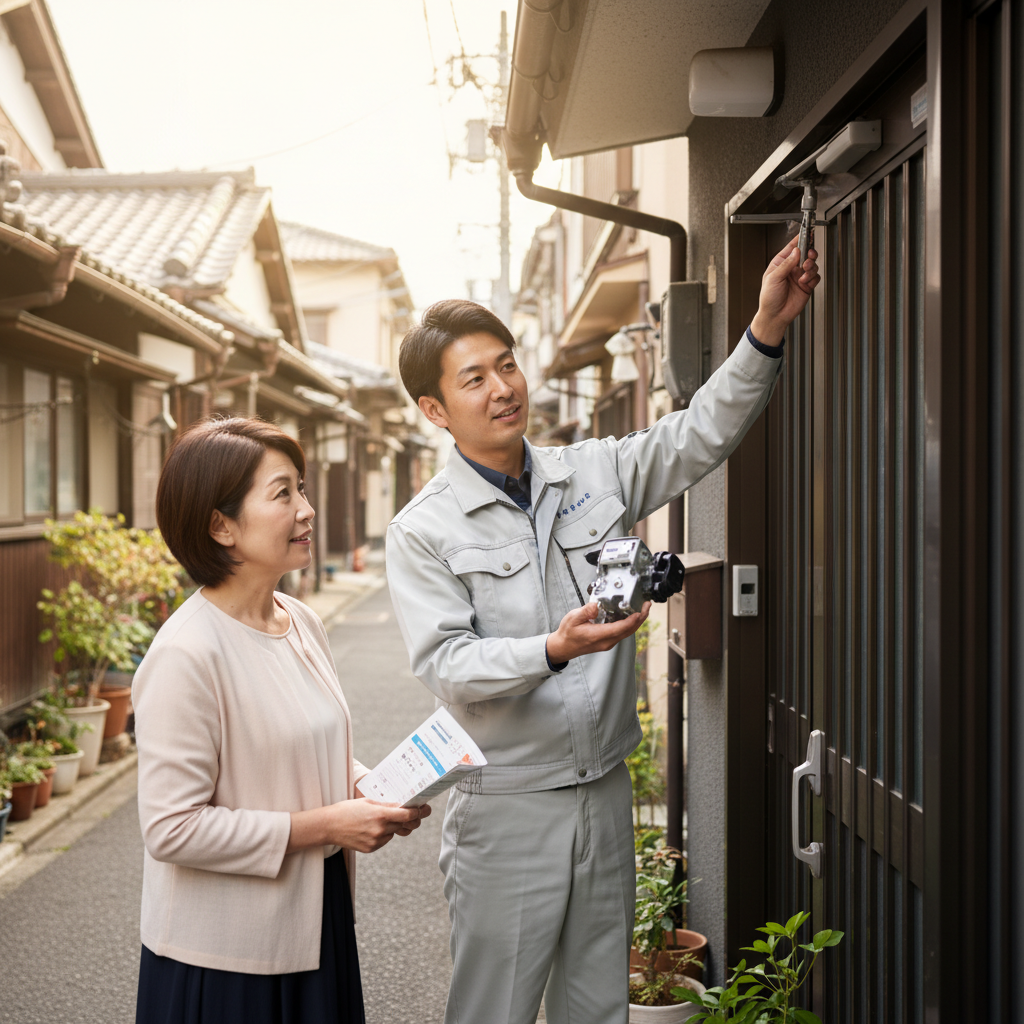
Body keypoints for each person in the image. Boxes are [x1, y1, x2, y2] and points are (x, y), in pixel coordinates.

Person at [386, 236, 821, 1024]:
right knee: (495, 1012)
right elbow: (450, 666)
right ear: (434, 409)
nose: (502, 388)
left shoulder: (591, 470)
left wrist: (765, 329)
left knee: (597, 1011)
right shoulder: (423, 530)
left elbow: (698, 435)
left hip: (604, 796)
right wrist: (552, 649)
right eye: (473, 378)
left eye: (507, 364)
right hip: (507, 807)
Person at [132, 417, 429, 1024]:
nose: (307, 510)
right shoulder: (185, 654)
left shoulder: (299, 619)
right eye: (283, 493)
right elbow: (171, 828)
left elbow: (297, 748)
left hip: (317, 921)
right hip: (223, 962)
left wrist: (369, 788)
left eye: (302, 489)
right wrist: (327, 825)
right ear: (221, 526)